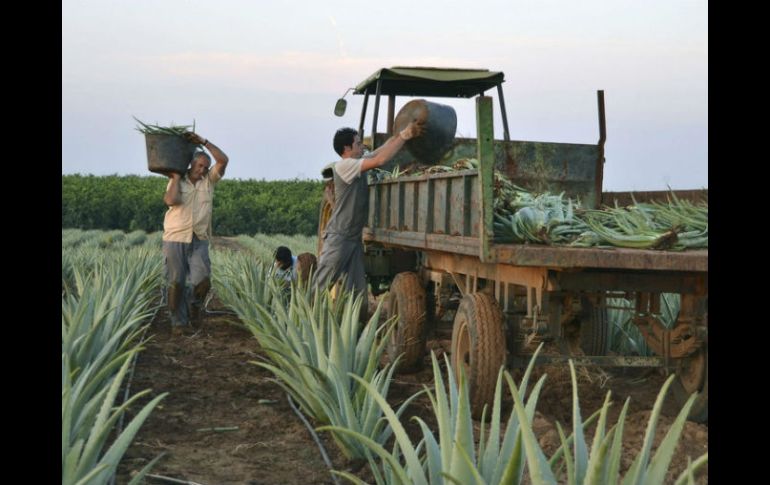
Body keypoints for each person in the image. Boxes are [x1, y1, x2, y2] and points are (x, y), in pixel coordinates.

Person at [314, 120, 424, 309]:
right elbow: (380, 160)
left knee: (357, 291)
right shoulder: (345, 166)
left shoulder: (356, 162)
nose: (362, 146)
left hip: (353, 239)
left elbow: (380, 151)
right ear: (347, 148)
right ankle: (299, 323)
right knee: (321, 285)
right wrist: (405, 136)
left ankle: (355, 328)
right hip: (339, 238)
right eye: (358, 143)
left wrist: (399, 135)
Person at [162, 132, 229, 335]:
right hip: (175, 238)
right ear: (191, 164)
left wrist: (204, 142)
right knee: (175, 282)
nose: (202, 170)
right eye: (199, 166)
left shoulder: (208, 182)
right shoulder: (178, 180)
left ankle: (194, 307)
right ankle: (178, 323)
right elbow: (170, 201)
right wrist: (174, 177)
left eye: (205, 167)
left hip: (199, 238)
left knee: (202, 279)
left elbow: (223, 160)